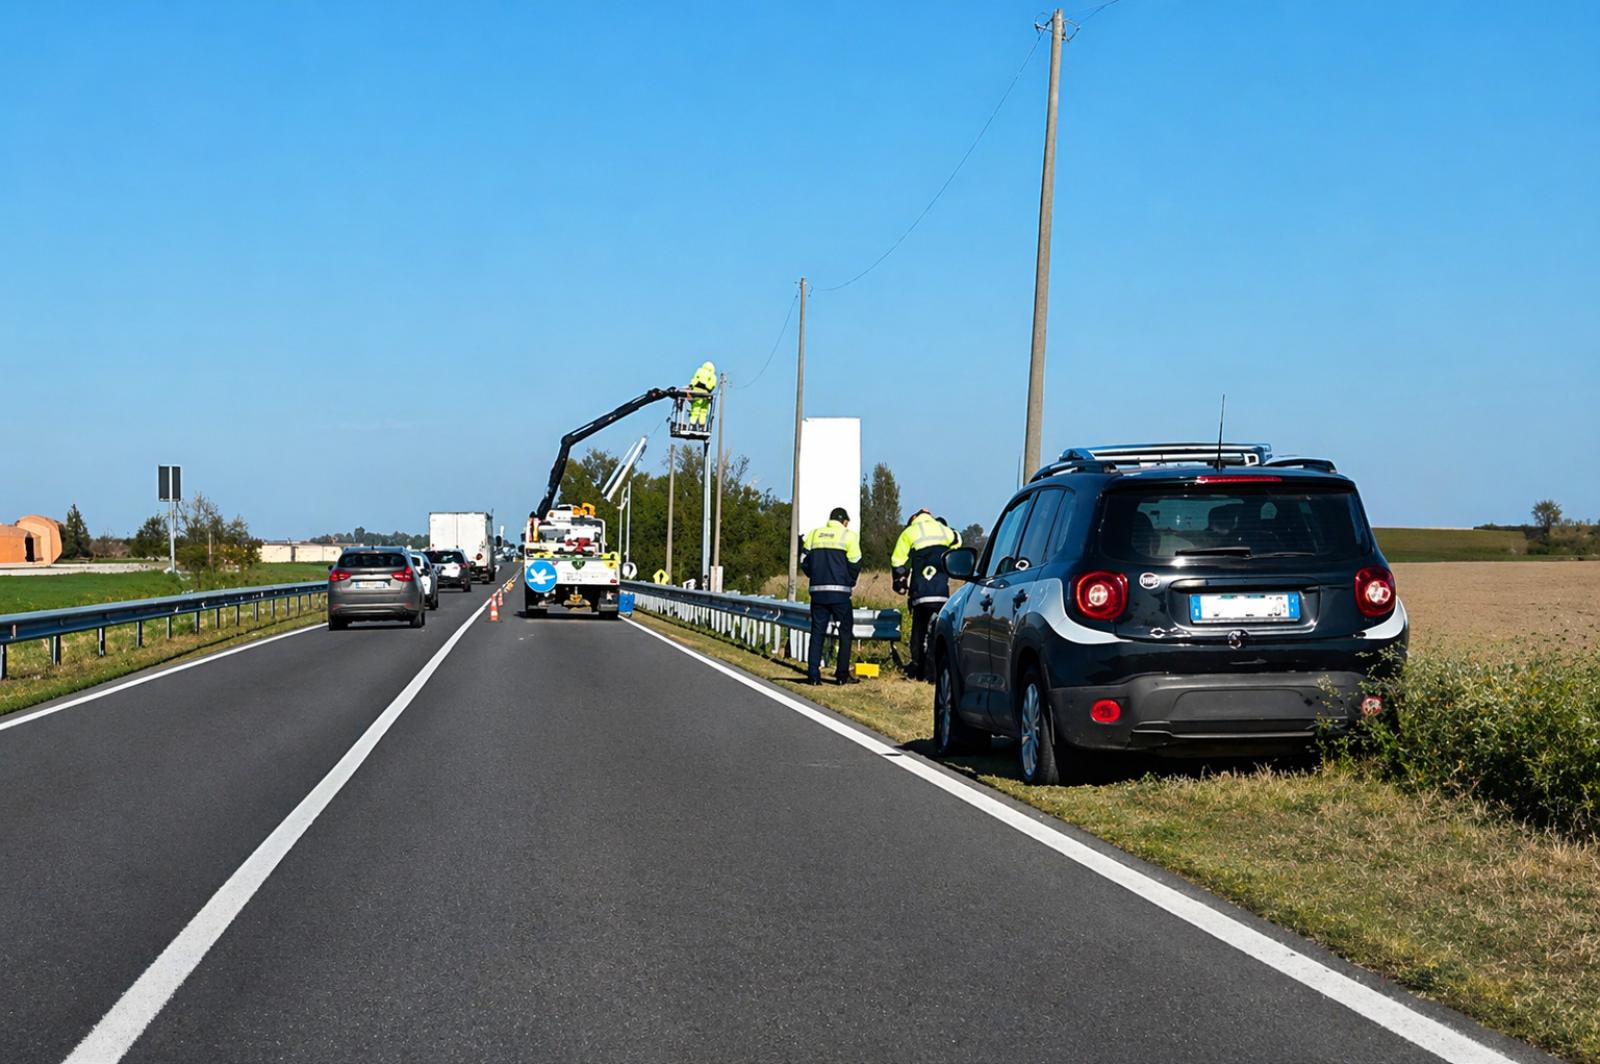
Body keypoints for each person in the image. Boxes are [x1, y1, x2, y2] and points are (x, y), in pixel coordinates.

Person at [891, 509, 961, 680]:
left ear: (914, 518)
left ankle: (918, 668)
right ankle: (933, 673)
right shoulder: (943, 530)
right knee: (937, 632)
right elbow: (958, 540)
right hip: (941, 592)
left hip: (920, 591)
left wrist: (899, 581)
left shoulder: (910, 532)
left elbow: (897, 560)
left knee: (919, 630)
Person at [800, 506, 862, 686]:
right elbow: (855, 563)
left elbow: (804, 561)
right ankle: (842, 675)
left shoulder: (814, 534)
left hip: (818, 592)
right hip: (840, 593)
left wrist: (814, 575)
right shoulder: (848, 536)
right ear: (844, 521)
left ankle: (813, 674)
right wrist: (849, 580)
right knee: (844, 632)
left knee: (817, 632)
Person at [688, 360, 717, 427]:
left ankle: (692, 424)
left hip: (696, 392)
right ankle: (702, 425)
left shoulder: (699, 371)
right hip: (705, 394)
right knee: (704, 410)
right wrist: (708, 389)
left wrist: (691, 386)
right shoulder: (713, 375)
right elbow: (712, 385)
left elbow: (694, 379)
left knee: (695, 408)